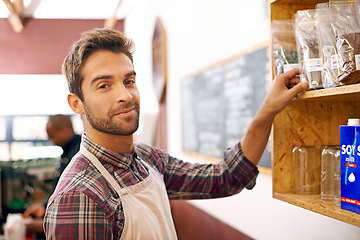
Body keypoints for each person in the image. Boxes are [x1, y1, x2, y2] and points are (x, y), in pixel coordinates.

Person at [43, 28, 308, 239]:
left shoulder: (145, 159)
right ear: (76, 103)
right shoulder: (79, 197)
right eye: (104, 85)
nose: (125, 95)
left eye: (129, 81)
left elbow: (225, 178)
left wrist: (268, 110)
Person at [23, 114, 81, 235]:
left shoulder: (78, 154)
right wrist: (45, 207)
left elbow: (75, 200)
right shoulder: (67, 152)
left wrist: (50, 223)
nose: (51, 141)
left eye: (52, 136)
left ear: (64, 131)